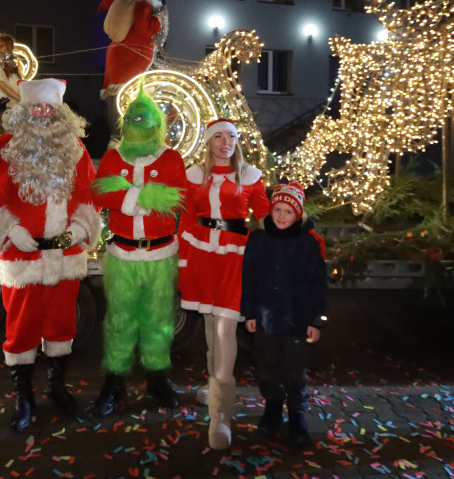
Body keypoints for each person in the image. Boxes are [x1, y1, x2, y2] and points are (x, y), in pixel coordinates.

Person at [0, 78, 102, 432]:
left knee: (62, 326)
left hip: (64, 256)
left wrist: (80, 227)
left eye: (49, 108)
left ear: (60, 112)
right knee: (22, 329)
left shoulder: (76, 149)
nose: (43, 114)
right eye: (36, 107)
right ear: (23, 111)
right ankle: (23, 395)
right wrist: (9, 228)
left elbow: (90, 193)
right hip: (21, 259)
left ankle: (57, 386)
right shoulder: (1, 148)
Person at [91, 86, 187, 416]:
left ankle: (157, 380)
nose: (137, 128)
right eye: (132, 122)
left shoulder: (171, 158)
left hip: (161, 255)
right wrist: (144, 198)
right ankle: (113, 385)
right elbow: (101, 192)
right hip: (122, 256)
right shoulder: (115, 157)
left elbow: (174, 197)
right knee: (119, 321)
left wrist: (127, 193)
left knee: (158, 321)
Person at [178, 118, 269, 449]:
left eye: (231, 136)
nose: (225, 142)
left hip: (235, 257)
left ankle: (220, 415)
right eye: (218, 136)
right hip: (202, 255)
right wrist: (184, 261)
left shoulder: (250, 176)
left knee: (224, 331)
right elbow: (186, 219)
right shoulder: (193, 176)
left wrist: (297, 230)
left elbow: (267, 216)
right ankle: (212, 385)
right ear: (209, 142)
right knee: (209, 329)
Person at [241, 182, 326, 445]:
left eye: (288, 212)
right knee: (267, 369)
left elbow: (319, 286)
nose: (281, 216)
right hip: (266, 321)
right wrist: (250, 313)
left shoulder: (308, 244)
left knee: (294, 371)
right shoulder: (258, 241)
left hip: (297, 322)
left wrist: (317, 320)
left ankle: (297, 415)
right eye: (277, 209)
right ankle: (273, 408)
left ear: (298, 214)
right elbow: (250, 279)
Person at [97, 0, 168, 128]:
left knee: (117, 111)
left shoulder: (134, 7)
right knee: (128, 115)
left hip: (122, 62)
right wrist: (157, 20)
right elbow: (144, 29)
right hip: (130, 66)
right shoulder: (144, 6)